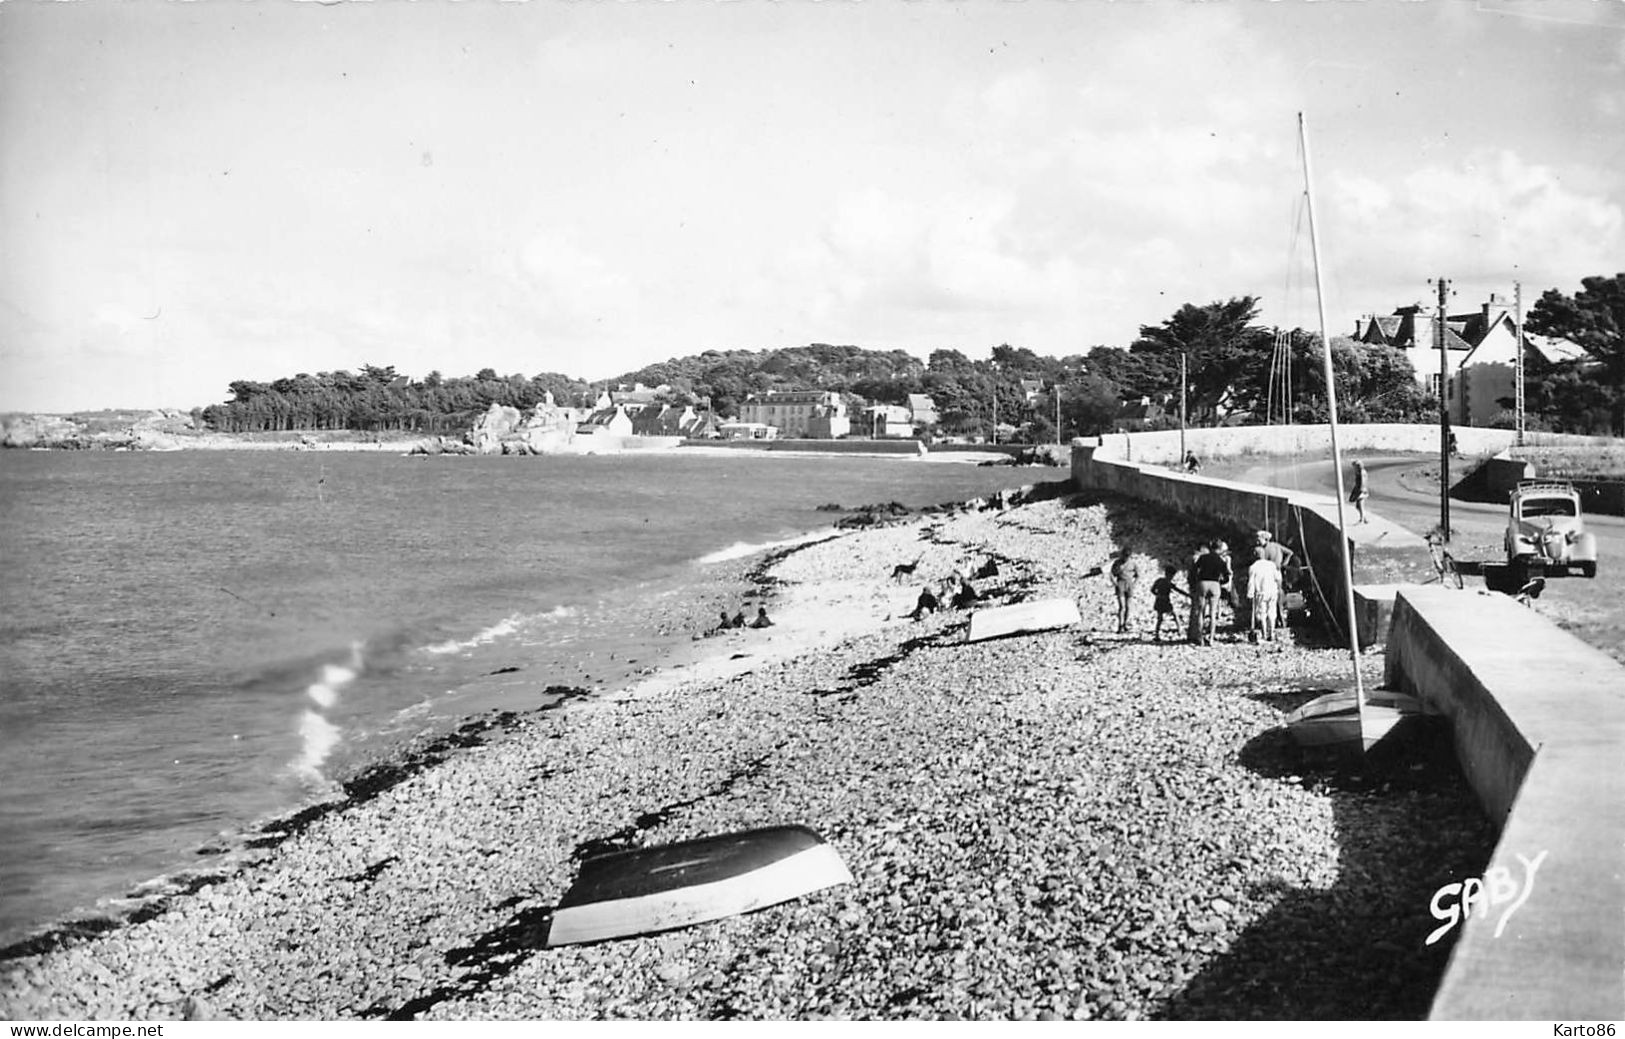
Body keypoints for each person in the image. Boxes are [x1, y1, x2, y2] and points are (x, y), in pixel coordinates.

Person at [1193, 539, 1232, 646]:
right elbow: (1227, 576)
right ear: (1219, 549)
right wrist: (1221, 582)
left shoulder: (1202, 557)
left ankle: (1200, 638)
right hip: (1215, 584)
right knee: (1212, 613)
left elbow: (1194, 570)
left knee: (1201, 612)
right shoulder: (1221, 560)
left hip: (1202, 583)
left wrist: (1195, 582)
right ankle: (1211, 639)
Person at [1253, 530, 1295, 627]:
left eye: (1259, 539)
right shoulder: (1277, 545)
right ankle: (1282, 621)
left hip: (1269, 573)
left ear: (1265, 539)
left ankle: (1270, 621)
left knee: (1268, 596)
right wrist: (1284, 563)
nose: (1257, 541)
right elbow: (1290, 553)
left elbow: (1261, 562)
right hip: (1278, 572)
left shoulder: (1263, 550)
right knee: (1278, 595)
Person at [1247, 553, 1282, 643]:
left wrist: (1250, 594)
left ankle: (1264, 634)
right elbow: (1278, 578)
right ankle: (1272, 633)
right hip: (1272, 591)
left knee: (1262, 613)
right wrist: (1278, 588)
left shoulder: (1253, 567)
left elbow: (1251, 582)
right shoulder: (1271, 565)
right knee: (1272, 612)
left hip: (1261, 593)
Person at [1150, 563, 1189, 643]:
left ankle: (1157, 635)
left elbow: (1152, 590)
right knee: (1174, 615)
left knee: (1160, 618)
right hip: (1166, 601)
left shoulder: (1159, 580)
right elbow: (1178, 590)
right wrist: (1188, 595)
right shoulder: (1168, 583)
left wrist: (1157, 595)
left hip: (1158, 600)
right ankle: (1179, 630)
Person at [1109, 547, 1141, 634]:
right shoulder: (1117, 563)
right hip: (1120, 583)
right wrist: (1114, 583)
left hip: (1129, 584)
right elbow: (1111, 573)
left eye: (1127, 556)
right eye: (1125, 555)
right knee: (1121, 607)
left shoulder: (1133, 564)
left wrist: (1134, 584)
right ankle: (1120, 625)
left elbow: (1138, 575)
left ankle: (1125, 624)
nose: (1126, 557)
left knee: (1128, 607)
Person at [1349, 460, 1369, 524]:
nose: (1353, 468)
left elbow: (1362, 482)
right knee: (1358, 506)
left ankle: (1361, 519)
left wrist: (1359, 491)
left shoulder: (1361, 472)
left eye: (1354, 466)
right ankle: (1364, 518)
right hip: (1361, 490)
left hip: (1362, 491)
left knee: (1360, 505)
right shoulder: (1360, 472)